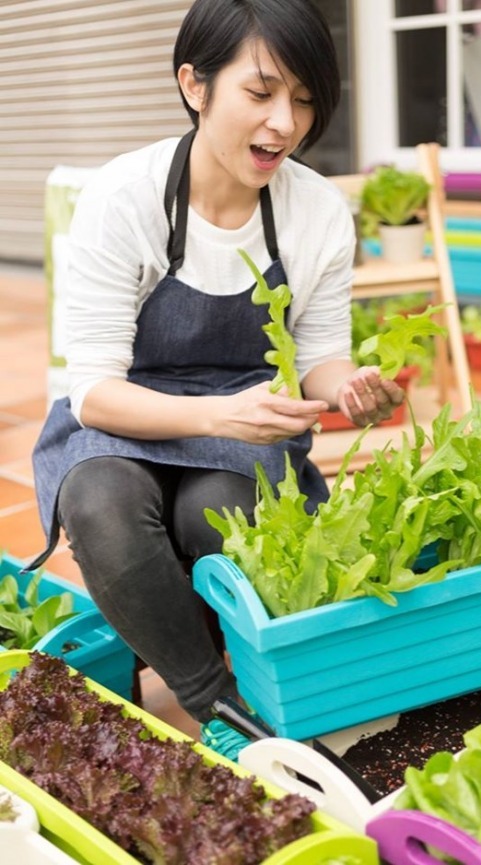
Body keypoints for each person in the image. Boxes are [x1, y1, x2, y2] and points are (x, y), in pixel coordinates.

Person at [29, 0, 404, 756]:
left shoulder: (317, 212)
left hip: (246, 424)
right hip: (123, 414)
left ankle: (269, 677)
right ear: (194, 85)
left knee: (218, 512)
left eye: (304, 100)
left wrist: (349, 386)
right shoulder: (124, 196)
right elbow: (93, 391)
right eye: (260, 92)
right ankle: (219, 707)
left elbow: (320, 356)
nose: (284, 124)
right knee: (100, 504)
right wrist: (218, 415)